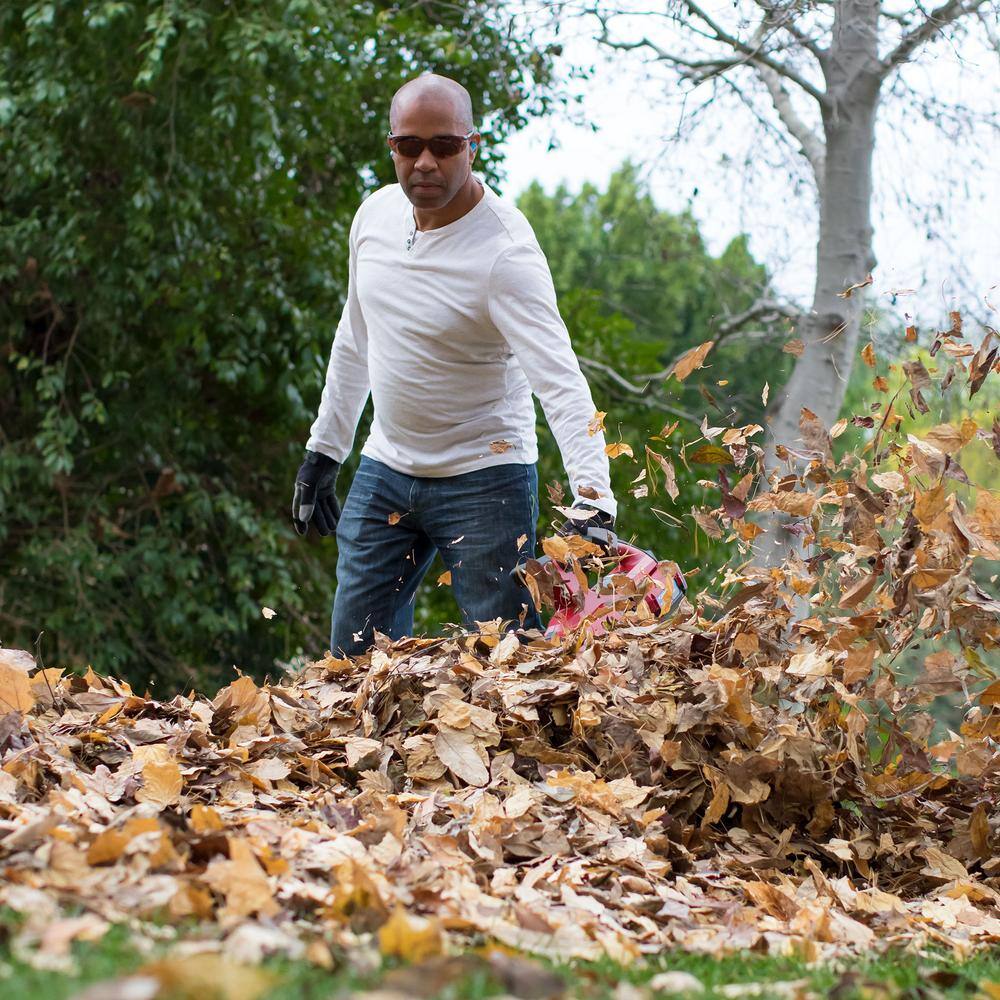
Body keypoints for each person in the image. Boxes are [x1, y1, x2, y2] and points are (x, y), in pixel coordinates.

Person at [292, 73, 617, 658]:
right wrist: (324, 451)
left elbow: (560, 380)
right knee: (353, 662)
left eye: (443, 147)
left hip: (485, 481)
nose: (424, 162)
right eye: (408, 146)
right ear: (391, 146)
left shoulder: (505, 254)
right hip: (387, 469)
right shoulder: (373, 219)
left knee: (507, 670)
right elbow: (355, 335)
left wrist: (593, 500)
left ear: (472, 145)